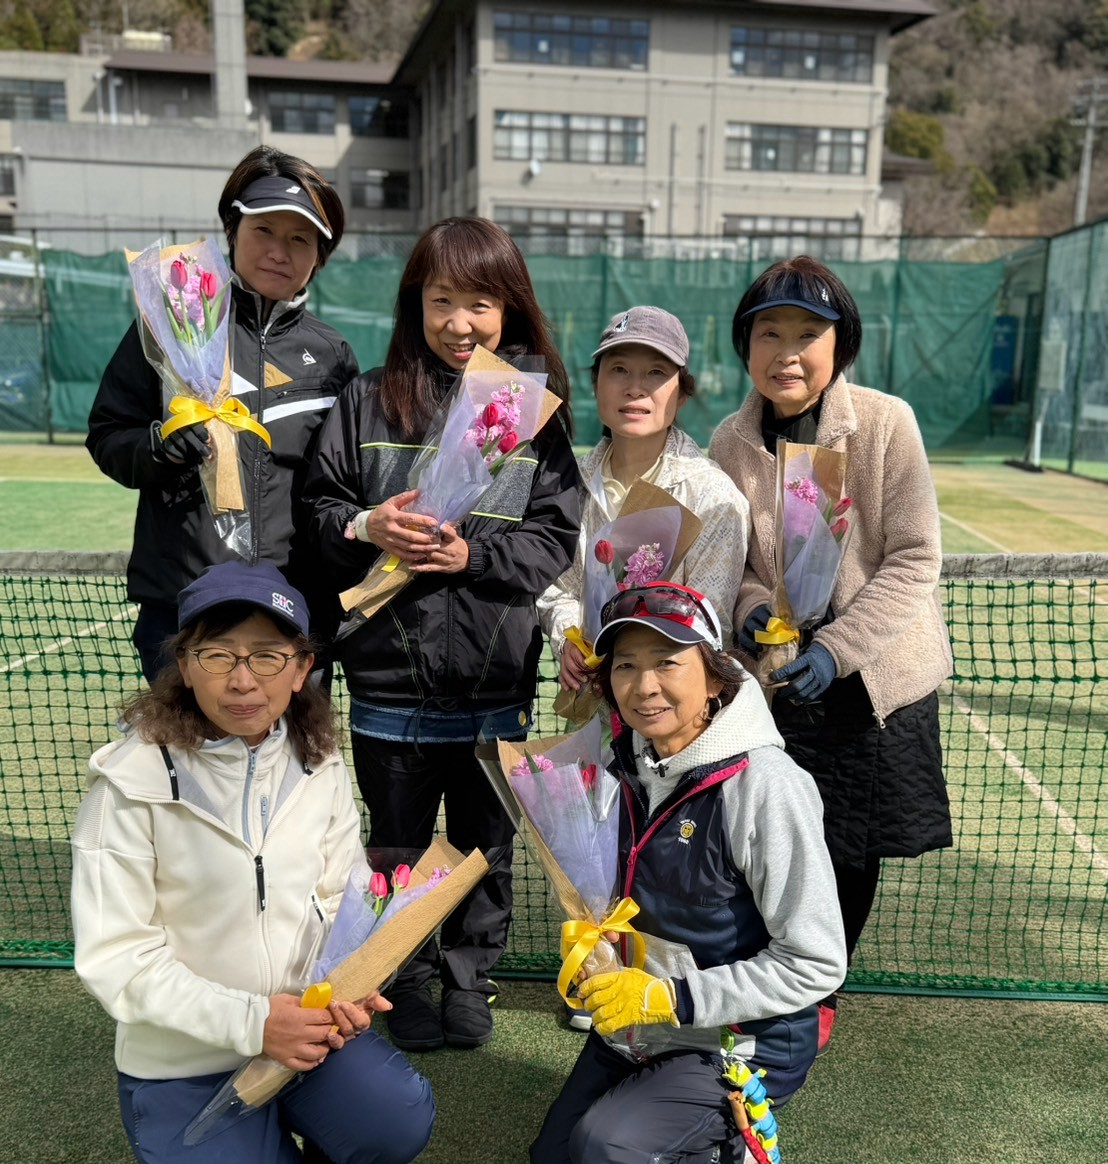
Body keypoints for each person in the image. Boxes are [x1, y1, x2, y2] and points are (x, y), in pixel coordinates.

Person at [70, 561, 436, 1164]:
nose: (243, 678)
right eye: (218, 653)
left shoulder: (319, 759)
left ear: (301, 668)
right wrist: (253, 1022)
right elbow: (116, 959)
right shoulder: (128, 783)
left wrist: (350, 985)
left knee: (398, 1117)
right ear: (185, 664)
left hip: (306, 1038)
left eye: (268, 655)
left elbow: (341, 895)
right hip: (183, 1066)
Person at [303, 217, 581, 1054]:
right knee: (395, 848)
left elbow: (553, 535)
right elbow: (316, 510)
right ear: (415, 304)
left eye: (480, 303)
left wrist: (471, 555)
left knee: (485, 846)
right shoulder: (365, 400)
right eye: (442, 300)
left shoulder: (530, 415)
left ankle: (468, 978)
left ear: (511, 310)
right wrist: (367, 525)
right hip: (387, 685)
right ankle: (408, 976)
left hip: (495, 686)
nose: (461, 322)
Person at [527, 583, 845, 1164]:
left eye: (667, 662)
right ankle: (667, 1121)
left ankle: (739, 1160)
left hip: (738, 1036)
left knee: (607, 1155)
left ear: (715, 674)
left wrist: (668, 996)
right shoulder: (618, 760)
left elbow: (817, 962)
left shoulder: (766, 785)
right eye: (625, 665)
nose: (644, 685)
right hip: (642, 1026)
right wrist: (593, 945)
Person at [709, 257, 953, 1048]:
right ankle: (765, 972)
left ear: (839, 345)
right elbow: (737, 563)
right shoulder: (729, 441)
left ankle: (818, 993)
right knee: (773, 839)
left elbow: (914, 558)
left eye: (807, 334)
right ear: (745, 346)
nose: (787, 352)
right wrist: (751, 611)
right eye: (768, 333)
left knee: (848, 850)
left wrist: (837, 650)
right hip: (780, 681)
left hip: (867, 682)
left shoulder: (885, 422)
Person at [87, 145, 359, 680]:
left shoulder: (333, 355)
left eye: (299, 239)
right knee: (182, 739)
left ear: (319, 256)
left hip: (293, 609)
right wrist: (159, 447)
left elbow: (342, 487)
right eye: (264, 231)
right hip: (181, 608)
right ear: (232, 231)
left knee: (289, 741)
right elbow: (108, 436)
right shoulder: (168, 327)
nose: (278, 252)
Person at [539, 304, 749, 683]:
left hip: (669, 702)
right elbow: (555, 587)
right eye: (619, 369)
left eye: (656, 373)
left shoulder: (712, 497)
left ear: (682, 394)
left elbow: (709, 622)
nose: (635, 388)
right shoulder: (568, 482)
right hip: (587, 696)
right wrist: (569, 636)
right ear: (596, 384)